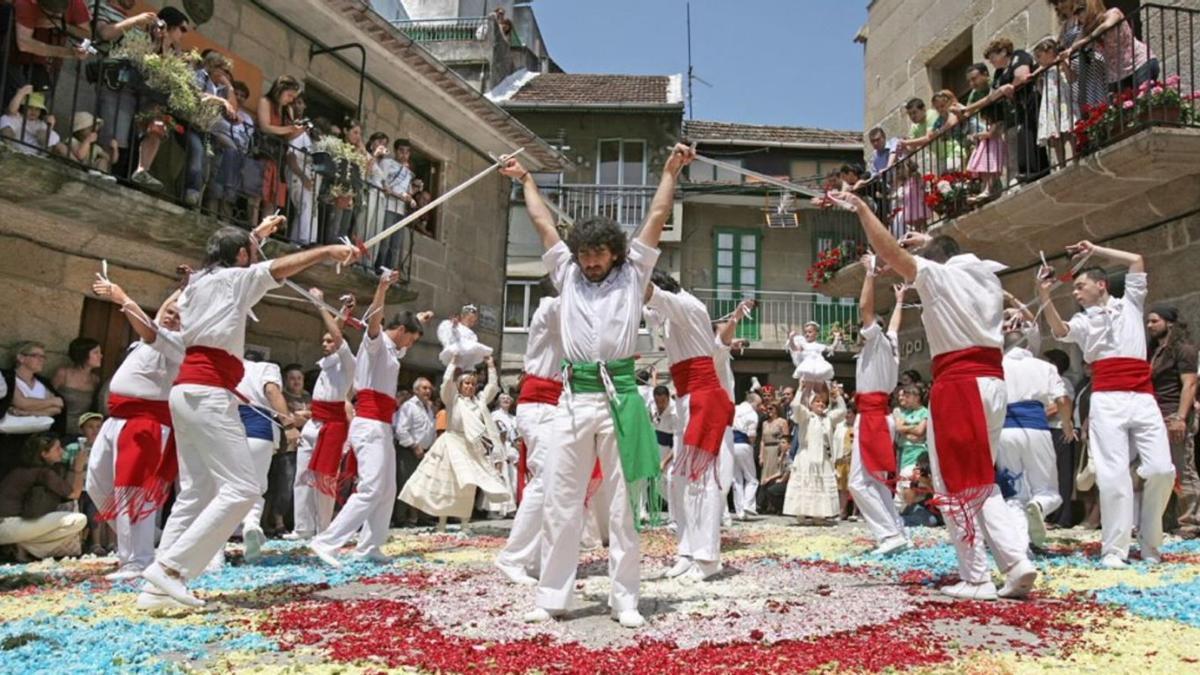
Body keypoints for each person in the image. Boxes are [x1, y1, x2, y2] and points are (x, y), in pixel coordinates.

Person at [501, 143, 694, 629]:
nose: (589, 262)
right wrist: (525, 180)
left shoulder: (634, 276)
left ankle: (624, 599)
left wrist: (670, 170)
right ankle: (552, 596)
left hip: (621, 398)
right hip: (573, 398)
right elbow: (544, 224)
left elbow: (656, 212)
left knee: (624, 504)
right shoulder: (565, 274)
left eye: (597, 254)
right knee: (562, 499)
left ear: (614, 253)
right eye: (584, 254)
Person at [140, 217, 360, 609]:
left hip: (186, 390)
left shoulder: (197, 285)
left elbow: (240, 257)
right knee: (242, 488)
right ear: (241, 257)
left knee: (196, 492)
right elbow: (275, 268)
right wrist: (328, 250)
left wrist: (256, 235)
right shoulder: (235, 281)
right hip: (207, 393)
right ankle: (171, 569)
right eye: (249, 252)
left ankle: (156, 590)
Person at [834, 189, 1037, 601]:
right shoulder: (985, 277)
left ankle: (977, 576)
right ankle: (1017, 563)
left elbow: (889, 252)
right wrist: (932, 244)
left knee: (954, 481)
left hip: (959, 385)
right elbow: (944, 254)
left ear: (935, 260)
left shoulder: (940, 275)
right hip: (993, 383)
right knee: (982, 479)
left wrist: (862, 208)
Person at [1039, 243, 1175, 567]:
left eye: (1080, 286)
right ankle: (1115, 549)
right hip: (1107, 398)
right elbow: (1059, 331)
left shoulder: (1130, 302)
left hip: (1142, 396)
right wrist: (1044, 295)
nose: (1075, 293)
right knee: (1113, 476)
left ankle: (1150, 540)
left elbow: (1137, 259)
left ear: (1100, 285)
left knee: (1162, 470)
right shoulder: (1083, 321)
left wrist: (1095, 249)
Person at [309, 271, 429, 568]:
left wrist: (421, 320)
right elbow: (376, 318)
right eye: (411, 338)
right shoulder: (375, 342)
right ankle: (326, 541)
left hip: (382, 425)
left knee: (387, 489)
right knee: (372, 487)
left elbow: (398, 338)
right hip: (369, 423)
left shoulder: (393, 348)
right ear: (399, 329)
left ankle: (370, 546)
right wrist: (382, 287)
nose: (410, 346)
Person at [86, 277, 183, 583]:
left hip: (146, 423)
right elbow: (159, 316)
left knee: (134, 493)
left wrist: (122, 295)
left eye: (179, 315)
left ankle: (137, 559)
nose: (170, 314)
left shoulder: (178, 344)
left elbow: (151, 327)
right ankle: (144, 536)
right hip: (118, 419)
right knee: (97, 483)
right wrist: (184, 285)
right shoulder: (151, 336)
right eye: (169, 311)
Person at [643, 270, 736, 582]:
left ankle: (707, 558)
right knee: (678, 480)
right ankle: (686, 549)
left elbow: (645, 294)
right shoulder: (671, 311)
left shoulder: (685, 305)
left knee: (703, 479)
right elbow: (647, 311)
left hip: (703, 397)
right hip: (686, 398)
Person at [495, 280, 562, 585]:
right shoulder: (550, 308)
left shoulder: (558, 311)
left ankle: (534, 557)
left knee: (554, 483)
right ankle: (513, 557)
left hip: (551, 405)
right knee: (544, 480)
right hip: (539, 405)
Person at [399, 357, 510, 530]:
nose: (470, 386)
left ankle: (465, 524)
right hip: (450, 444)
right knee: (446, 483)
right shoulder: (453, 400)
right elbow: (446, 383)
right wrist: (453, 363)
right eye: (466, 383)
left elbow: (492, 388)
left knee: (468, 486)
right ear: (459, 385)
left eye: (472, 384)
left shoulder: (479, 402)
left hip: (470, 446)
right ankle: (441, 524)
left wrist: (490, 366)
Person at [996, 312, 1072, 549]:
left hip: (1004, 432)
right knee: (1049, 490)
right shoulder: (1044, 367)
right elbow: (1062, 398)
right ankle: (1039, 505)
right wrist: (1067, 424)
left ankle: (1020, 549)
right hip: (1037, 429)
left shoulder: (995, 366)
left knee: (1014, 494)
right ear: (1027, 343)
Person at [848, 263, 908, 556]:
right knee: (876, 480)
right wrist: (900, 301)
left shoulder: (875, 342)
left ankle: (888, 534)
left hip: (872, 416)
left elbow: (865, 307)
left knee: (858, 482)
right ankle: (897, 530)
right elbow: (895, 327)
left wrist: (869, 275)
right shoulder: (889, 343)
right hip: (880, 414)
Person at [287, 292, 355, 541]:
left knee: (324, 478)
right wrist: (343, 312)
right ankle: (302, 527)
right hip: (314, 424)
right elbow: (335, 332)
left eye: (329, 342)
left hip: (332, 427)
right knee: (302, 475)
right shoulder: (326, 364)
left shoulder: (348, 362)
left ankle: (323, 529)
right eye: (323, 341)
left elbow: (337, 335)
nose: (325, 344)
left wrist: (319, 304)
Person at [1146, 306, 1198, 539]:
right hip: (1155, 417)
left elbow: (1190, 384)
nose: (1149, 326)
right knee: (1161, 471)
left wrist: (1180, 417)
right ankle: (1167, 522)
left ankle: (1189, 523)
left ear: (1169, 323)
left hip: (1173, 414)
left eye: (1154, 321)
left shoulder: (1184, 350)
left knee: (1182, 469)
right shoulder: (1154, 352)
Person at [235, 352, 293, 562]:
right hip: (258, 428)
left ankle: (225, 537)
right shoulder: (265, 368)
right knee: (257, 486)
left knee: (227, 487)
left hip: (229, 427)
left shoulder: (232, 366)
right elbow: (271, 390)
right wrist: (288, 424)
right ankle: (251, 523)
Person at [0, 435, 88, 560]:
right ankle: (26, 547)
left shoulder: (22, 469)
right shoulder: (43, 473)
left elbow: (66, 490)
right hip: (8, 526)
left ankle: (20, 545)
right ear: (44, 454)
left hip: (8, 527)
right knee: (79, 520)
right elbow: (74, 494)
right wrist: (79, 467)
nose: (62, 451)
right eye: (57, 449)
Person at [783, 387, 847, 524]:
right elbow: (795, 405)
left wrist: (838, 397)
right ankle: (800, 514)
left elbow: (842, 412)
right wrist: (799, 389)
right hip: (806, 455)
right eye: (817, 401)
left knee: (820, 485)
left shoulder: (828, 418)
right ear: (811, 404)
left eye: (823, 402)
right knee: (805, 483)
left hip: (823, 456)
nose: (820, 404)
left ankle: (819, 515)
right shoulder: (806, 416)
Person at [1070, 0, 1159, 92]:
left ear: (1092, 6)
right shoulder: (1085, 31)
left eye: (1081, 9)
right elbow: (1073, 47)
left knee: (1144, 100)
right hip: (1119, 75)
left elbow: (1106, 25)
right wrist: (1066, 53)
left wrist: (1086, 39)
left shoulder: (1113, 13)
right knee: (1127, 105)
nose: (1078, 15)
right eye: (1075, 12)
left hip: (1140, 63)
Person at [392, 376, 437, 528]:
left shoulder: (429, 408)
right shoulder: (409, 407)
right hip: (409, 451)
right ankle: (400, 518)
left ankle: (421, 517)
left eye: (430, 388)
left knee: (423, 485)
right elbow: (401, 430)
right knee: (406, 484)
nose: (428, 391)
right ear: (416, 390)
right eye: (424, 388)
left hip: (425, 452)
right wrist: (414, 446)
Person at [1042, 348, 1079, 528]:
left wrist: (1036, 415)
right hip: (1046, 430)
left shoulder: (1063, 382)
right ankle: (1050, 514)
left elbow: (1061, 405)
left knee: (1062, 473)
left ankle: (1063, 516)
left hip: (1059, 430)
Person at [1032, 36, 1076, 168]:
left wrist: (1062, 63)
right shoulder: (1044, 70)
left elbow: (1072, 78)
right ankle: (1061, 163)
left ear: (1049, 52)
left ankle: (1072, 158)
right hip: (1051, 104)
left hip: (1063, 100)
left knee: (1067, 129)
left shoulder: (1061, 63)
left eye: (1039, 56)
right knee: (1054, 133)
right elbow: (1041, 90)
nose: (1038, 60)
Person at [52, 337, 102, 437]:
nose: (101, 356)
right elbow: (48, 397)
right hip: (60, 428)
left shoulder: (95, 380)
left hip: (82, 431)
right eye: (96, 352)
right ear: (83, 354)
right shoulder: (63, 374)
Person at [1, 86, 67, 157]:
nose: (33, 111)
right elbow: (11, 110)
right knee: (5, 119)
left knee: (47, 136)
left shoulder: (41, 123)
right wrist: (21, 93)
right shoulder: (17, 116)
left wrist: (50, 126)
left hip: (34, 154)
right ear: (23, 107)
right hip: (14, 148)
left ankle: (41, 159)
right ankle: (6, 148)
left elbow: (50, 141)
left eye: (37, 109)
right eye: (30, 107)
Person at [649, 383, 679, 529]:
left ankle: (674, 518)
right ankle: (679, 507)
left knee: (672, 479)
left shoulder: (675, 412)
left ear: (668, 398)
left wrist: (665, 461)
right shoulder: (653, 407)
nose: (660, 405)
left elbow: (676, 442)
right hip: (657, 445)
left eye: (663, 402)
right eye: (657, 401)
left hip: (672, 449)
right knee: (659, 483)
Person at [730, 391, 761, 520]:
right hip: (743, 444)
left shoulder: (734, 409)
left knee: (736, 479)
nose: (759, 407)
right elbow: (752, 435)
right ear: (753, 402)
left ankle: (740, 512)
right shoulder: (752, 414)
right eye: (758, 404)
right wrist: (752, 446)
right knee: (751, 479)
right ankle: (748, 504)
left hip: (730, 445)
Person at [436, 305, 493, 371]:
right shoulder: (451, 325)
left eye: (473, 321)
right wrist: (453, 326)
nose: (471, 323)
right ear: (462, 316)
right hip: (455, 356)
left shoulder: (472, 334)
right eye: (469, 319)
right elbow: (448, 338)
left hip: (466, 362)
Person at [787, 322, 834, 394]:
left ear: (816, 334)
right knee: (806, 391)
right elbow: (794, 348)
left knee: (818, 392)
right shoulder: (804, 345)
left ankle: (816, 401)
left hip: (819, 368)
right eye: (805, 332)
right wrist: (791, 338)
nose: (807, 334)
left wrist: (837, 338)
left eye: (810, 332)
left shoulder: (819, 345)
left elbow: (831, 348)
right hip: (807, 368)